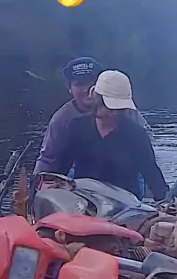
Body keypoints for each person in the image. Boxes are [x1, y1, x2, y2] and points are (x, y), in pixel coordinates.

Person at [53, 70, 169, 201]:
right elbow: (60, 168)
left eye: (119, 109)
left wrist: (168, 200)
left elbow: (151, 172)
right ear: (96, 99)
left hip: (125, 204)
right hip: (85, 200)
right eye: (110, 108)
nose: (114, 113)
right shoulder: (76, 127)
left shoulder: (136, 134)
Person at [33, 56, 149, 174]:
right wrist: (37, 181)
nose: (87, 90)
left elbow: (145, 153)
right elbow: (48, 159)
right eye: (80, 84)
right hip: (82, 173)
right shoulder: (62, 120)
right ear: (69, 88)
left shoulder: (125, 110)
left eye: (93, 83)